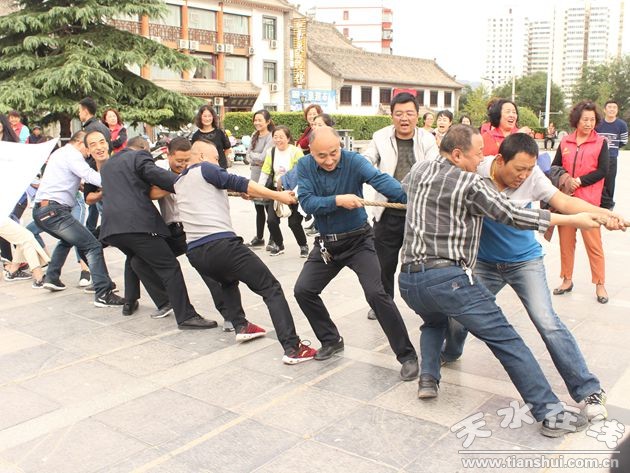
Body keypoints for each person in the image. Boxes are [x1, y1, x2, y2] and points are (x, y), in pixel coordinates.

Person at [398, 124, 613, 437]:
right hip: (449, 279)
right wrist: (573, 220)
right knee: (507, 340)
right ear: (457, 154)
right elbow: (514, 215)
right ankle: (550, 412)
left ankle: (430, 374)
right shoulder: (472, 182)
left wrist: (600, 214)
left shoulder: (419, 170)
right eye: (476, 154)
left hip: (409, 281)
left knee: (436, 322)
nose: (479, 160)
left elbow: (404, 189)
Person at [174, 139, 317, 364]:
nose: (218, 164)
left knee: (227, 281)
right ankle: (292, 347)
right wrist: (278, 196)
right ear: (201, 156)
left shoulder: (180, 181)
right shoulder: (206, 168)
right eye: (216, 159)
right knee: (271, 288)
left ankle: (241, 325)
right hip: (221, 245)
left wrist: (236, 191)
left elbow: (212, 192)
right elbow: (241, 181)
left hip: (196, 253)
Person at [294, 126, 419, 381]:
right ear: (311, 152)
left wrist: (411, 197)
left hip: (359, 240)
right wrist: (338, 200)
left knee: (376, 294)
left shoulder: (354, 161)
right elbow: (307, 202)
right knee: (303, 290)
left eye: (334, 153)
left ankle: (407, 356)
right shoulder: (304, 166)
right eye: (321, 156)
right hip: (327, 244)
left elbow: (380, 180)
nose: (329, 160)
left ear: (340, 146)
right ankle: (331, 339)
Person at [94, 130, 216, 329]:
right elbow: (156, 175)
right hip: (137, 225)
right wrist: (186, 180)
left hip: (112, 230)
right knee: (169, 267)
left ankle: (135, 301)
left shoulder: (108, 165)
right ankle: (186, 316)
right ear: (144, 148)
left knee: (136, 260)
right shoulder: (139, 156)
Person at [149, 136, 243, 330]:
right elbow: (152, 194)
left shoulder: (198, 174)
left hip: (193, 230)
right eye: (179, 160)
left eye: (187, 160)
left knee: (211, 273)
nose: (183, 164)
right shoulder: (162, 174)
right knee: (139, 261)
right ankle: (165, 301)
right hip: (171, 231)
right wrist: (177, 182)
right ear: (168, 156)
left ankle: (230, 317)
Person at [363, 92, 439, 320]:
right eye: (399, 114)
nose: (404, 118)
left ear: (417, 115)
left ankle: (427, 303)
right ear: (392, 116)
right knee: (383, 264)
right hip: (387, 210)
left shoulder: (427, 139)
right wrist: (365, 169)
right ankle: (383, 304)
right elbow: (367, 159)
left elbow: (434, 167)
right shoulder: (380, 137)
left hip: (418, 212)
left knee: (421, 262)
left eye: (409, 113)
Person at [32, 131, 124, 307]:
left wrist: (81, 186)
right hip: (54, 211)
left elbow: (64, 180)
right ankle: (103, 292)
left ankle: (52, 277)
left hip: (43, 210)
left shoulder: (60, 153)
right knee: (93, 245)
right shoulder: (73, 155)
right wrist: (119, 182)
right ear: (81, 143)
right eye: (89, 147)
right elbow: (90, 175)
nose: (90, 152)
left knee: (70, 240)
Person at [552, 101, 610, 304]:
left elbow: (603, 170)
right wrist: (567, 179)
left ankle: (600, 284)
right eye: (585, 119)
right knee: (566, 243)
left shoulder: (601, 142)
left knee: (594, 245)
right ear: (576, 120)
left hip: (589, 203)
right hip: (566, 200)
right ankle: (566, 280)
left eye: (592, 120)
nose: (588, 123)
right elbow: (555, 166)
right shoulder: (565, 141)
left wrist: (580, 181)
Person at [258, 125, 308, 257]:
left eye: (281, 137)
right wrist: (259, 189)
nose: (278, 140)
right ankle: (279, 245)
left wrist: (296, 193)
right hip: (277, 191)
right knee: (271, 221)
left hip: (294, 191)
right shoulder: (271, 152)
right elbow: (265, 171)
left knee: (294, 223)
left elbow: (302, 173)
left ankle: (303, 245)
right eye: (275, 137)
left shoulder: (296, 152)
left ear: (288, 138)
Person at [79, 97, 111, 234]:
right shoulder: (103, 127)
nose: (98, 147)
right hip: (103, 171)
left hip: (97, 173)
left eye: (79, 111)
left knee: (103, 210)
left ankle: (102, 232)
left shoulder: (89, 130)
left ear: (85, 111)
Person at [244, 110, 274, 249]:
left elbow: (263, 158)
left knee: (269, 210)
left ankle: (274, 238)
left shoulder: (271, 137)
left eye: (260, 120)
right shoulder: (254, 135)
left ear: (267, 121)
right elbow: (247, 156)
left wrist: (253, 156)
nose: (257, 122)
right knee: (258, 209)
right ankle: (259, 237)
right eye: (255, 120)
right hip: (255, 175)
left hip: (266, 175)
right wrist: (255, 157)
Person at [596, 100, 628, 210]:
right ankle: (598, 202)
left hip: (612, 157)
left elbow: (623, 141)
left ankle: (608, 205)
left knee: (610, 181)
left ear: (617, 110)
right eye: (609, 107)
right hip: (597, 157)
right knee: (598, 180)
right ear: (605, 110)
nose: (612, 109)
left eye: (614, 107)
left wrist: (612, 148)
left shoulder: (621, 125)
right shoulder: (598, 124)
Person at [190, 104, 232, 169]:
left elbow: (227, 148)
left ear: (213, 117)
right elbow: (194, 154)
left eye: (209, 116)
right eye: (205, 116)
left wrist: (220, 159)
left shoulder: (220, 132)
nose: (207, 119)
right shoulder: (196, 136)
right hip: (202, 169)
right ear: (200, 117)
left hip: (220, 168)